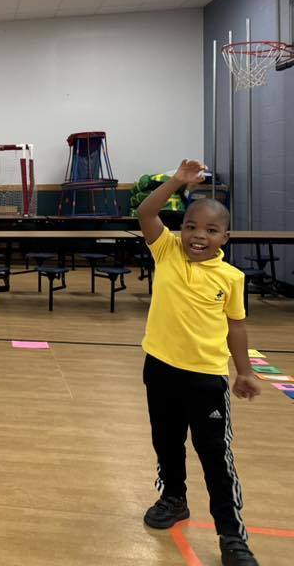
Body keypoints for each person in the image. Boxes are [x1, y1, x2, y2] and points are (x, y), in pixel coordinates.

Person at [138, 160, 260, 566]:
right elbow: (146, 213)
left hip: (206, 379)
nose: (198, 236)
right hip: (160, 369)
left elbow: (236, 328)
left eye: (210, 230)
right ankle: (174, 498)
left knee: (215, 458)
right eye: (191, 226)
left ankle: (231, 536)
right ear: (181, 230)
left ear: (226, 236)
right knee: (167, 442)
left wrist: (244, 371)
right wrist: (176, 181)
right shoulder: (167, 251)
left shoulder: (230, 278)